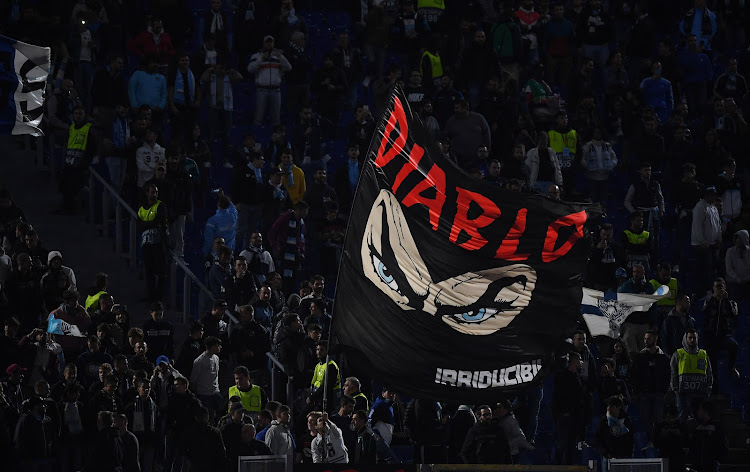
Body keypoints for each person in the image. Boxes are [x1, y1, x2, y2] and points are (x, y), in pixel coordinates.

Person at [633, 330, 670, 447]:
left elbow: (667, 375)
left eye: (648, 338)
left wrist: (663, 390)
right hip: (644, 393)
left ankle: (658, 443)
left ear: (655, 339)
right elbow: (635, 375)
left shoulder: (663, 357)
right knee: (646, 420)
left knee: (658, 420)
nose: (645, 341)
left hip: (658, 393)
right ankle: (648, 443)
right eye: (645, 338)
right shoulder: (640, 357)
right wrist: (638, 390)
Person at [702, 278, 740, 387]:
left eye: (721, 286)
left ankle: (731, 367)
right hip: (710, 335)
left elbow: (733, 314)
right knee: (712, 360)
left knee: (734, 345)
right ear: (713, 288)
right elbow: (704, 313)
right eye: (717, 286)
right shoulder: (708, 301)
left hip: (724, 335)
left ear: (725, 287)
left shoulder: (731, 302)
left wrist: (726, 300)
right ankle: (714, 382)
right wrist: (714, 299)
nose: (719, 289)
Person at [247, 35, 292, 126]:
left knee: (276, 119)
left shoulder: (278, 57)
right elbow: (250, 69)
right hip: (261, 90)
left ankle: (276, 138)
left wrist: (280, 56)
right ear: (263, 44)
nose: (269, 44)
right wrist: (262, 58)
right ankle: (255, 138)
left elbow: (288, 68)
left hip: (275, 90)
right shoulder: (256, 56)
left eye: (270, 42)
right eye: (267, 42)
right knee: (258, 118)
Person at [59, 106, 96, 213]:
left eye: (80, 114)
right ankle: (66, 206)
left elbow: (91, 146)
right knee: (65, 184)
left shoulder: (89, 128)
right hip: (69, 161)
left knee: (75, 186)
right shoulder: (71, 127)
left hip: (81, 162)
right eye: (76, 113)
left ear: (85, 115)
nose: (78, 116)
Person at [670, 329, 712, 421]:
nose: (692, 340)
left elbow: (709, 372)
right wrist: (675, 389)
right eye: (690, 338)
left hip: (700, 393)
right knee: (682, 419)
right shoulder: (678, 354)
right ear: (686, 339)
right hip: (683, 394)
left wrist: (709, 387)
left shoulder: (703, 354)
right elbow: (673, 373)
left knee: (700, 419)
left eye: (694, 338)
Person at [553, 351, 586, 465]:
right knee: (562, 443)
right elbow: (558, 397)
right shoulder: (562, 377)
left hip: (575, 415)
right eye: (579, 359)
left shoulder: (578, 378)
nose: (581, 362)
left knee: (571, 444)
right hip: (565, 416)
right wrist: (563, 412)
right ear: (574, 361)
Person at [137, 184, 168, 302]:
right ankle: (151, 296)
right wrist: (149, 224)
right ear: (147, 193)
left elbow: (159, 221)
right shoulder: (141, 208)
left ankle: (159, 296)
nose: (154, 194)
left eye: (156, 192)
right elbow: (138, 226)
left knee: (160, 270)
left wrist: (146, 224)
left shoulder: (160, 205)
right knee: (149, 271)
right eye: (152, 192)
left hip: (159, 243)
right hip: (146, 244)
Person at [692, 187, 722, 297]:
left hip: (712, 244)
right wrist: (702, 241)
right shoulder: (700, 207)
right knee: (703, 270)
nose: (713, 197)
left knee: (711, 269)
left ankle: (709, 290)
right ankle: (701, 293)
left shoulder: (713, 207)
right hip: (702, 245)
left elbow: (718, 225)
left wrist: (719, 239)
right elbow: (697, 227)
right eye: (711, 195)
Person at [182, 406, 226, 471]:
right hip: (211, 466)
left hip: (195, 466)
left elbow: (184, 450)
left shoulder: (190, 432)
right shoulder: (215, 432)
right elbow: (221, 452)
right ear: (208, 417)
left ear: (196, 417)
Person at [690, 401, 728, 472]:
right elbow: (693, 447)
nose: (698, 412)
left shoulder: (716, 428)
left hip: (711, 467)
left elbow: (722, 447)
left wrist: (716, 461)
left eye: (700, 409)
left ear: (705, 411)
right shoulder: (697, 428)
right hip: (697, 466)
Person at [190, 336, 222, 421]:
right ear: (213, 346)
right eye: (218, 345)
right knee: (207, 416)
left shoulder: (216, 358)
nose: (220, 348)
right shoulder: (200, 361)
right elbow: (193, 379)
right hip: (204, 394)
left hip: (215, 391)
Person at [594, 396, 634, 462]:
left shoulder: (626, 421)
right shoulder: (604, 421)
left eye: (611, 406)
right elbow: (597, 440)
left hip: (624, 458)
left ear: (618, 407)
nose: (608, 408)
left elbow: (630, 439)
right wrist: (606, 453)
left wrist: (627, 455)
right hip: (608, 458)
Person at [202, 190, 238, 255]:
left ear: (218, 204)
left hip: (216, 254)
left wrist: (205, 253)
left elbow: (209, 240)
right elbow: (232, 206)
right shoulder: (233, 215)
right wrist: (222, 196)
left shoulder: (212, 221)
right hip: (230, 252)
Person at [307, 341, 340, 413]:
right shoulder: (318, 365)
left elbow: (327, 385)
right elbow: (313, 382)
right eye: (317, 349)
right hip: (317, 397)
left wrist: (312, 397)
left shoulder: (331, 366)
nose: (319, 352)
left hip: (327, 399)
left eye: (321, 350)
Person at [725, 230, 750, 299]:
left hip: (747, 281)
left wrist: (746, 279)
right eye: (737, 238)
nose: (738, 240)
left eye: (740, 238)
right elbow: (729, 269)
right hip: (734, 281)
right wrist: (738, 279)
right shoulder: (730, 251)